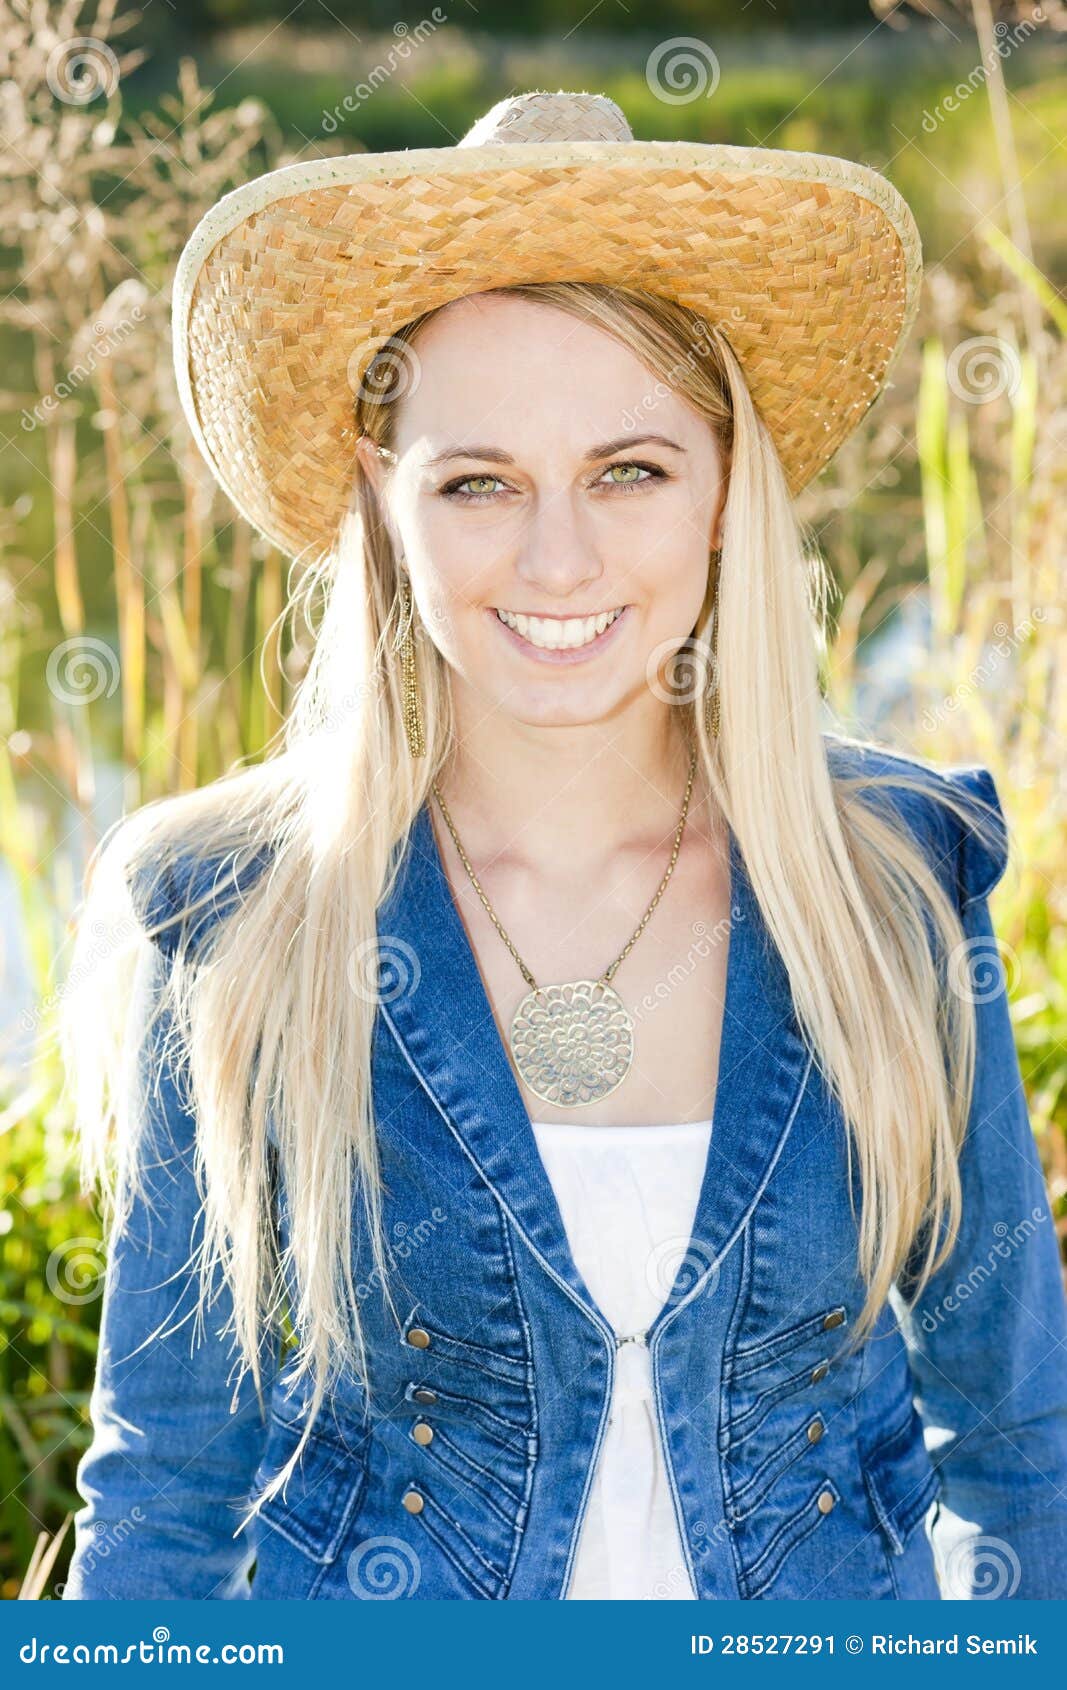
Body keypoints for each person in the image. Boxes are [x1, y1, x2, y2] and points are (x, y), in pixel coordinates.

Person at [61, 90, 1067, 1602]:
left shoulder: (894, 890)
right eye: (477, 481)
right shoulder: (238, 922)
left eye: (630, 469)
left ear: (730, 485)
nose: (558, 559)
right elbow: (166, 1486)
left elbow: (1016, 1442)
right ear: (379, 504)